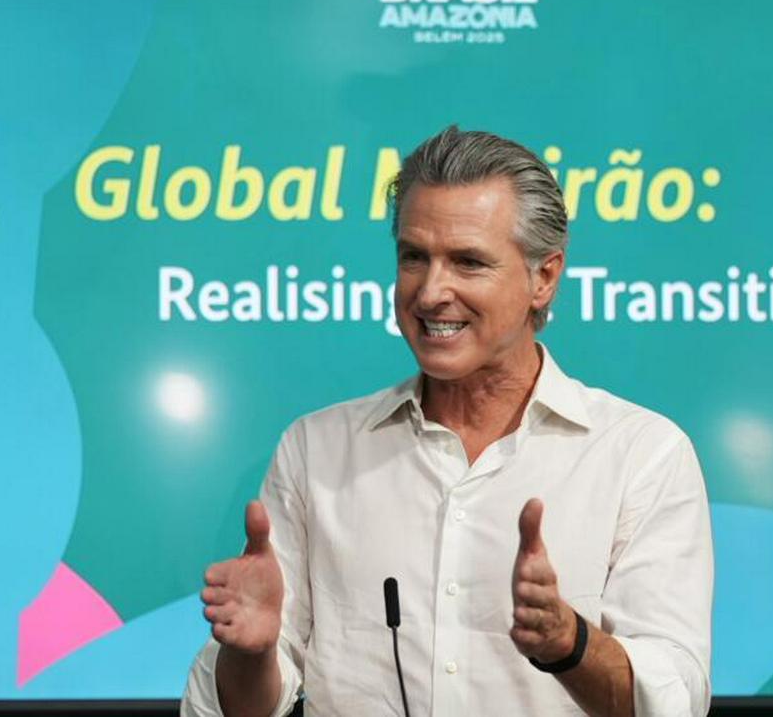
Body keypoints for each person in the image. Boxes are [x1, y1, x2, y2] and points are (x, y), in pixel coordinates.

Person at [181, 126, 713, 717]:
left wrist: (569, 644)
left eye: (468, 262)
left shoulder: (641, 454)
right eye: (414, 257)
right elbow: (237, 706)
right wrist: (253, 654)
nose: (432, 292)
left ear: (543, 278)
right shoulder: (318, 450)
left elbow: (674, 699)